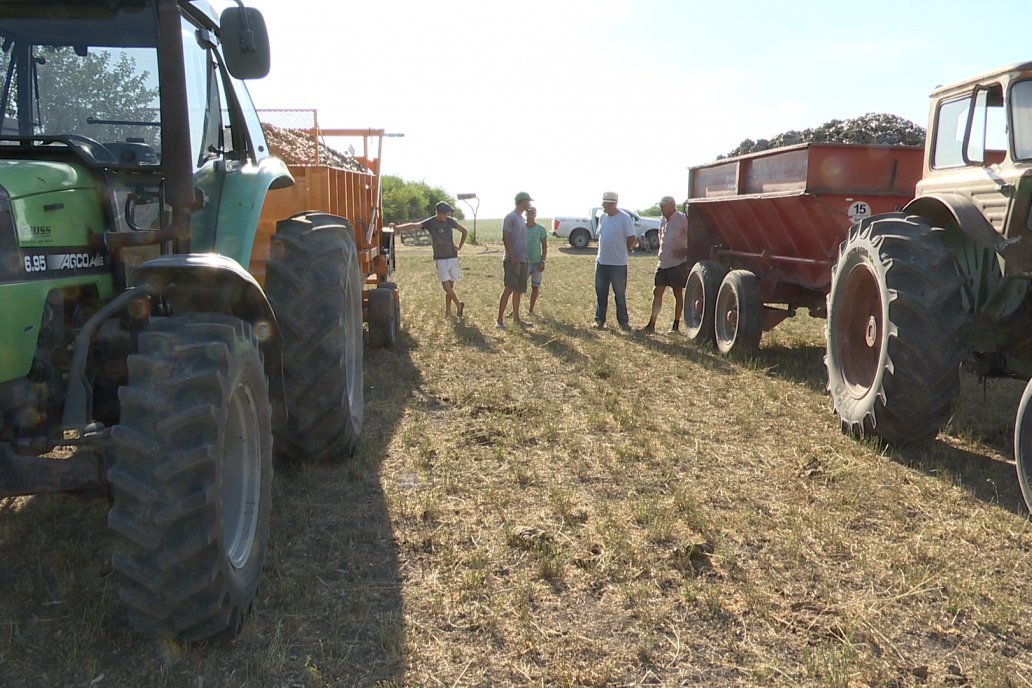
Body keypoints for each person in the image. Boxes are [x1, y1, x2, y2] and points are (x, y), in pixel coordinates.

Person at [391, 201, 468, 317]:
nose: (447, 216)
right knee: (446, 288)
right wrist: (397, 228)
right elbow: (414, 225)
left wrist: (460, 246)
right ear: (438, 213)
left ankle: (448, 312)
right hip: (440, 259)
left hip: (452, 257)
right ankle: (458, 304)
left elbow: (464, 231)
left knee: (450, 288)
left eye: (448, 213)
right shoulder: (430, 222)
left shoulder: (450, 221)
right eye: (445, 214)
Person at [640, 196, 690, 333]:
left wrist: (686, 250)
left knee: (677, 293)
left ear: (672, 205)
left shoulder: (681, 218)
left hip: (677, 263)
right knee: (657, 291)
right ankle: (652, 324)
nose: (661, 209)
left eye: (663, 206)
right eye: (660, 206)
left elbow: (693, 235)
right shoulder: (662, 220)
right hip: (663, 262)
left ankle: (676, 325)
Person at [593, 191, 637, 330]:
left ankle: (623, 322)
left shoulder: (624, 219)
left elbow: (631, 238)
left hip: (618, 264)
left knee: (619, 295)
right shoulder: (602, 218)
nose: (602, 205)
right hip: (602, 263)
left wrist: (622, 251)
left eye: (605, 203)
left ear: (613, 204)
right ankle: (600, 320)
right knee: (601, 293)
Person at [496, 191, 533, 329]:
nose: (529, 204)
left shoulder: (521, 219)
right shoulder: (510, 217)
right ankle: (499, 320)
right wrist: (512, 256)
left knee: (518, 290)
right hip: (513, 259)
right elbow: (505, 237)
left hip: (522, 259)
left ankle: (517, 318)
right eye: (528, 201)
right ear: (522, 201)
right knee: (509, 288)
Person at [525, 206, 548, 315]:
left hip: (537, 262)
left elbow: (544, 246)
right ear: (525, 214)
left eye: (532, 213)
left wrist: (543, 261)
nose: (530, 215)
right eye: (528, 213)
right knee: (519, 288)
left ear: (535, 214)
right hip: (524, 263)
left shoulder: (541, 229)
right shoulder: (521, 228)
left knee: (535, 287)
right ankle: (515, 311)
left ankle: (531, 309)